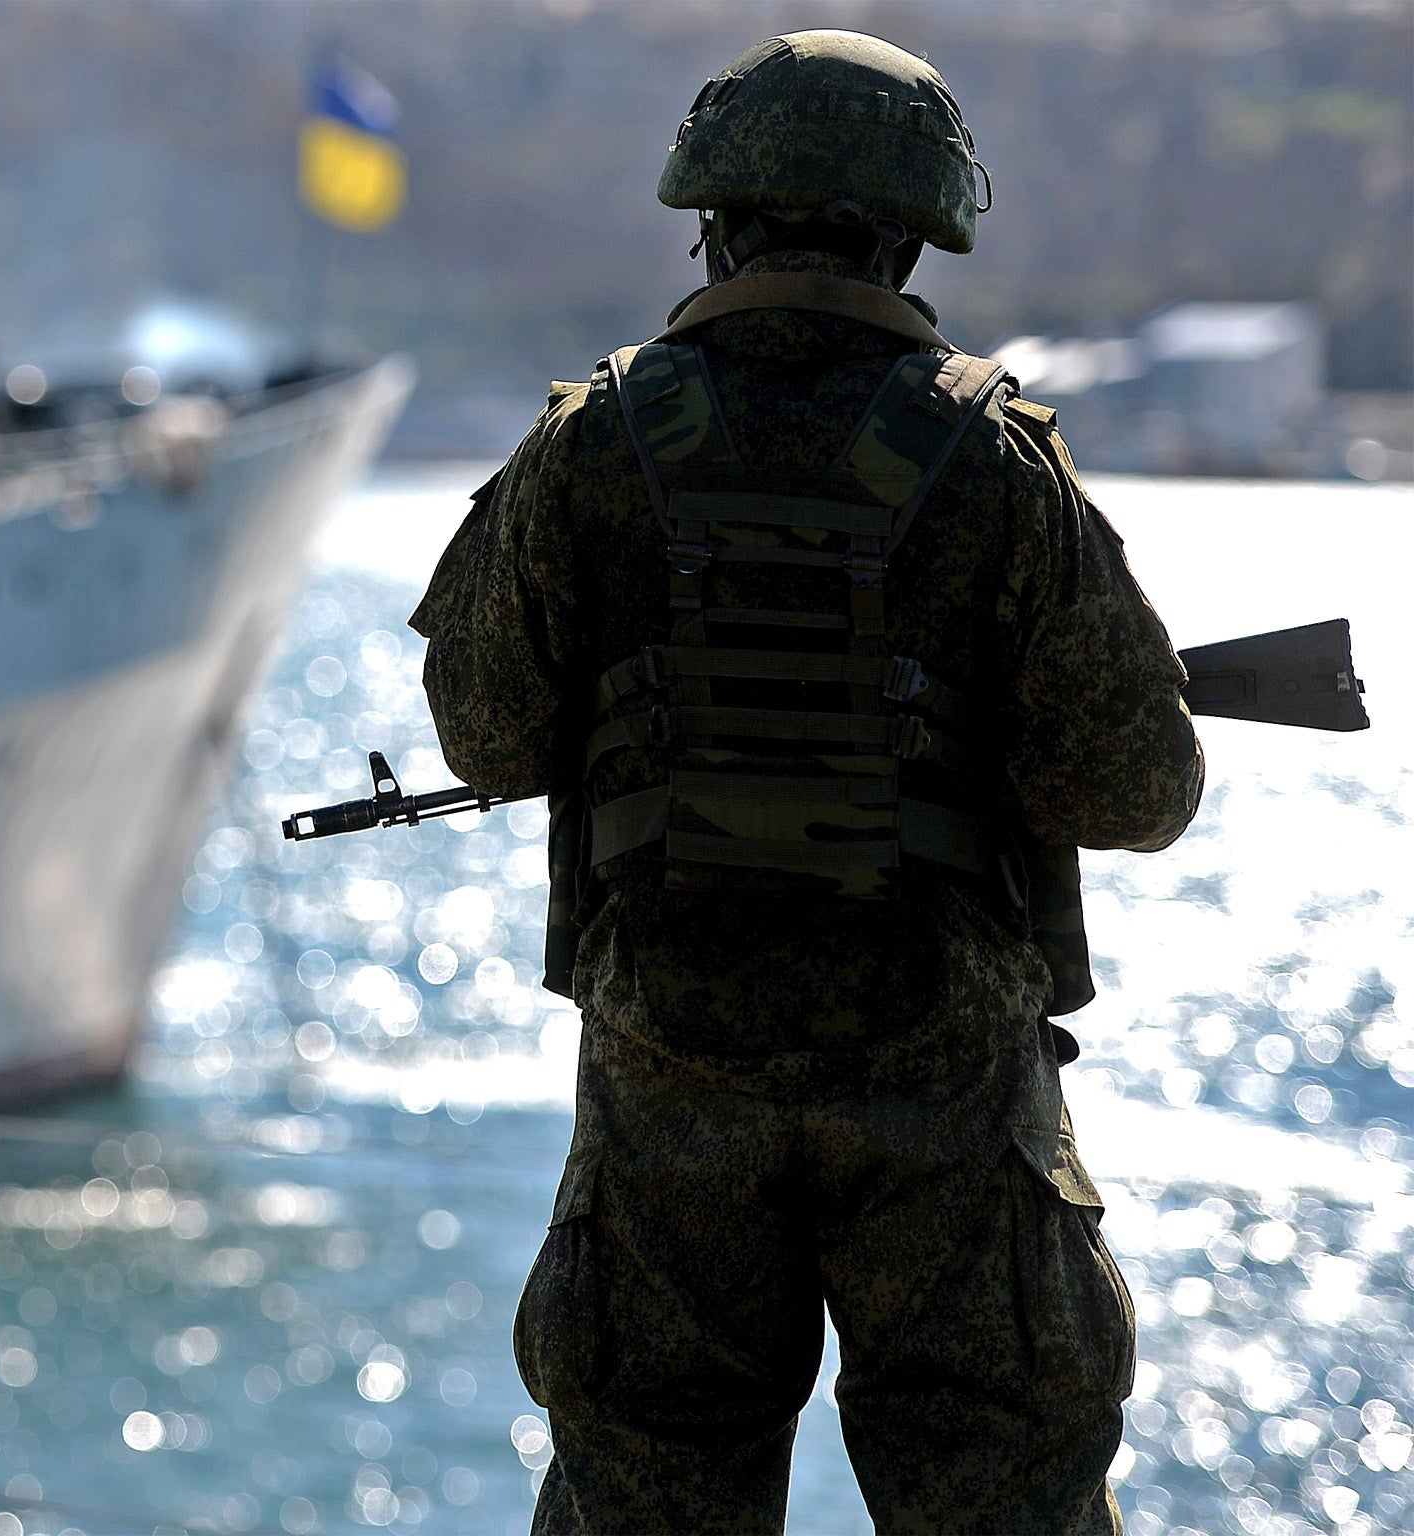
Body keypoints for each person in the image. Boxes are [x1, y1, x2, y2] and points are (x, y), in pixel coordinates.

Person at [409, 29, 1204, 1536]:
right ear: (915, 230)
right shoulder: (996, 461)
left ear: (711, 215)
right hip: (946, 1092)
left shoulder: (589, 450)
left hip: (672, 1084)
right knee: (999, 1493)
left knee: (647, 1485)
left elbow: (488, 736)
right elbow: (1140, 789)